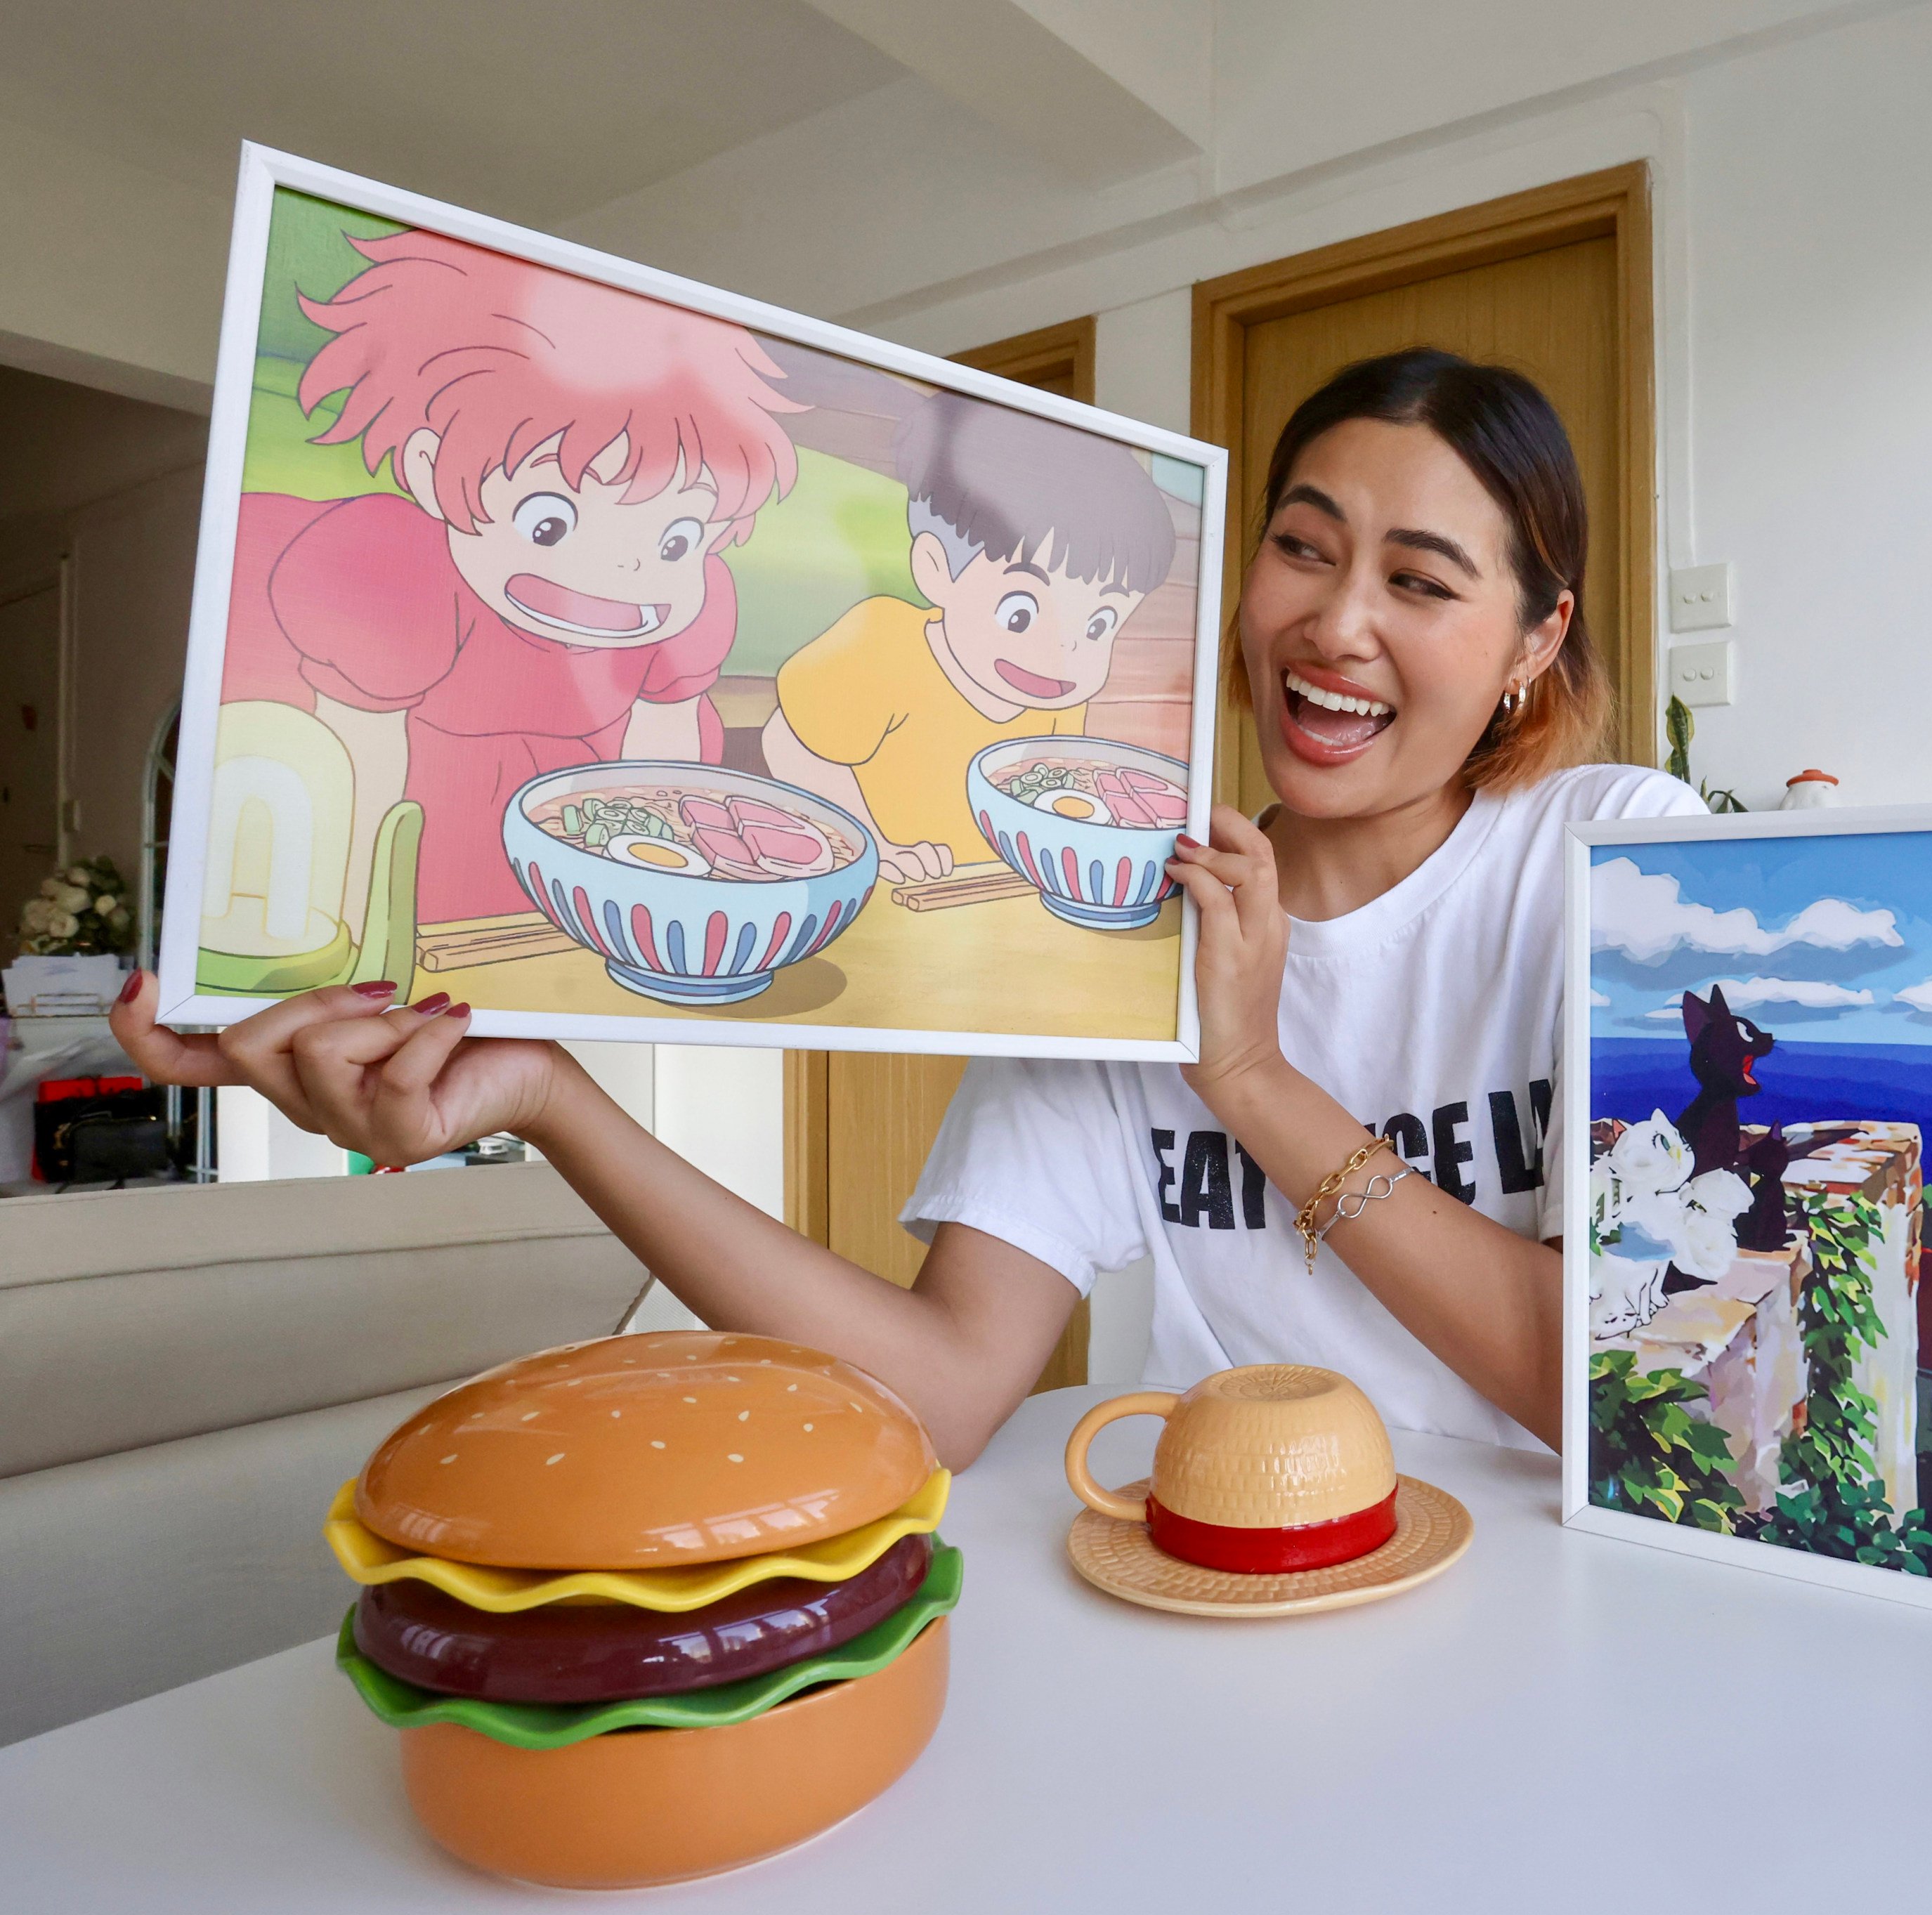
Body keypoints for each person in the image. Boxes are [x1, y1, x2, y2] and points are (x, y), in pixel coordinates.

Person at [119, 348, 1700, 1460]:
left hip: (1539, 1585)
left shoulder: (1613, 854)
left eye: (1419, 582)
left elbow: (1619, 1389)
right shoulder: (1108, 919)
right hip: (1216, 1575)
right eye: (1301, 547)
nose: (1335, 620)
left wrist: (1252, 1085)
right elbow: (942, 1395)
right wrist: (551, 1095)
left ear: (1528, 644)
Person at [223, 226, 804, 931]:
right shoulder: (395, 571)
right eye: (550, 522)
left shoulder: (694, 600)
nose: (626, 566)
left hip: (583, 812)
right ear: (428, 472)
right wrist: (352, 932)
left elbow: (660, 766)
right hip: (423, 798)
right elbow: (359, 776)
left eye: (678, 537)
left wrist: (647, 899)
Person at [762, 392, 1182, 884]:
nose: (1064, 651)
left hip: (986, 909)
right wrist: (872, 846)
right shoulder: (883, 644)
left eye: (1097, 626)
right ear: (936, 569)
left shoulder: (1055, 691)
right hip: (880, 897)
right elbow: (792, 743)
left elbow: (1042, 786)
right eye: (1021, 613)